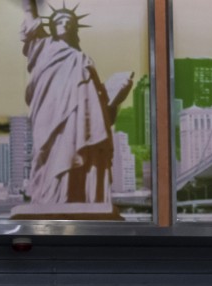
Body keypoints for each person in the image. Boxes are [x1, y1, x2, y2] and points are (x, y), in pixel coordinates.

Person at [19, 0, 131, 208]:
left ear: (75, 28)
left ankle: (74, 198)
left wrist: (117, 100)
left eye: (70, 21)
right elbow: (28, 10)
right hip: (49, 117)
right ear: (51, 26)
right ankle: (50, 200)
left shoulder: (84, 60)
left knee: (74, 156)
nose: (65, 24)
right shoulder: (42, 46)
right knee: (51, 159)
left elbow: (99, 115)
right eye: (60, 20)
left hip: (78, 125)